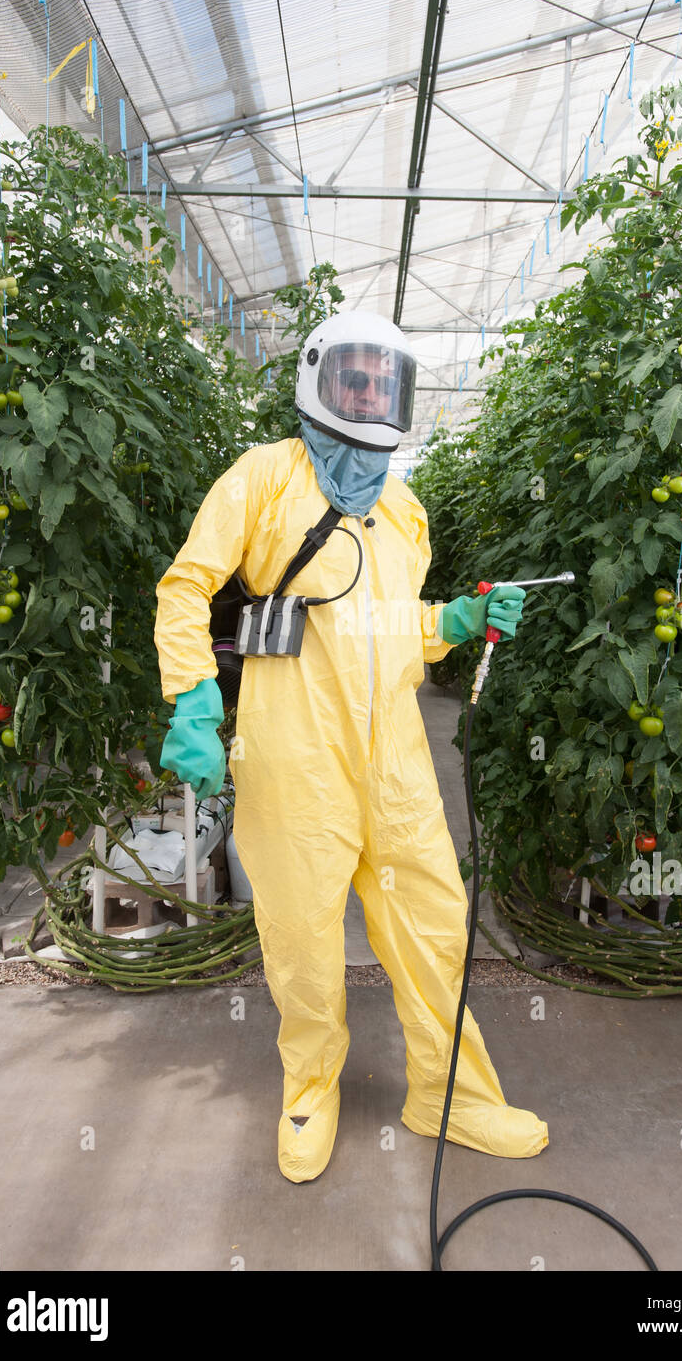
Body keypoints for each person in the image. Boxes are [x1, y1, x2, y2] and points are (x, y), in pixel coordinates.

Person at [154, 309, 549, 1183]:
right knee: (300, 935)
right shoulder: (262, 478)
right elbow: (186, 587)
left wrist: (453, 619)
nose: (369, 392)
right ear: (319, 378)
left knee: (436, 927)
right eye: (354, 376)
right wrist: (190, 698)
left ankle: (453, 1096)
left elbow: (388, 626)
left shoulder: (404, 511)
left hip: (397, 759)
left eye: (383, 380)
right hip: (291, 753)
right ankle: (309, 1088)